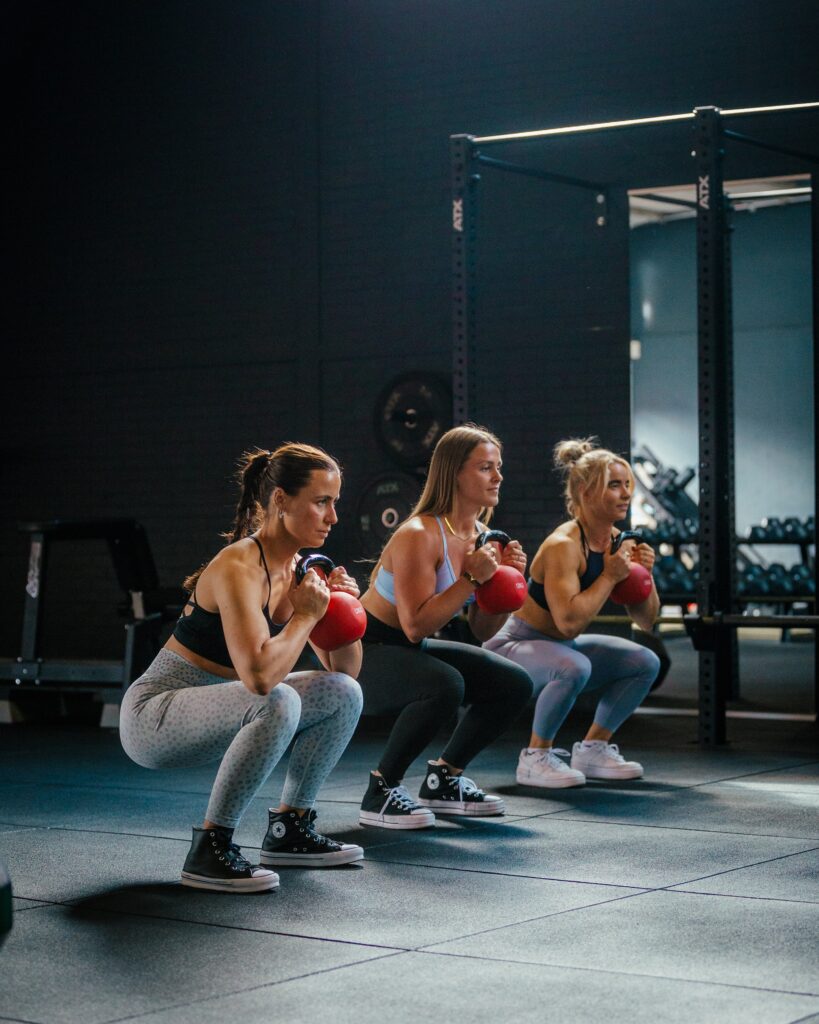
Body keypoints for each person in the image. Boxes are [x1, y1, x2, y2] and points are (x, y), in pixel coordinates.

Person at [120, 444, 365, 893]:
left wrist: (340, 612)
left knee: (344, 693)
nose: (333, 517)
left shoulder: (297, 571)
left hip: (225, 710)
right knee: (277, 698)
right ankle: (209, 848)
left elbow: (345, 672)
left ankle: (290, 829)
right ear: (281, 500)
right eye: (321, 502)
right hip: (154, 716)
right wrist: (305, 617)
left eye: (335, 503)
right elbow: (259, 678)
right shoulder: (239, 565)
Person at [356, 424, 534, 828]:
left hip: (408, 650)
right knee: (446, 684)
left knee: (514, 683)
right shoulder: (419, 534)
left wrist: (504, 586)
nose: (498, 476)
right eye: (485, 467)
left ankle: (444, 779)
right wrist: (470, 579)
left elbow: (483, 631)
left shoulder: (484, 538)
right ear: (454, 473)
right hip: (365, 650)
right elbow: (415, 625)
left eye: (499, 467)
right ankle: (381, 790)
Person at [484, 438, 660, 788]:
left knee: (645, 661)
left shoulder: (619, 542)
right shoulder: (563, 545)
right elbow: (568, 623)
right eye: (614, 485)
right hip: (513, 647)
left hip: (561, 647)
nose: (626, 493)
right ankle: (535, 757)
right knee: (575, 666)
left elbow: (646, 620)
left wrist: (646, 576)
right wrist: (609, 576)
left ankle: (594, 749)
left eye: (627, 484)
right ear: (585, 491)